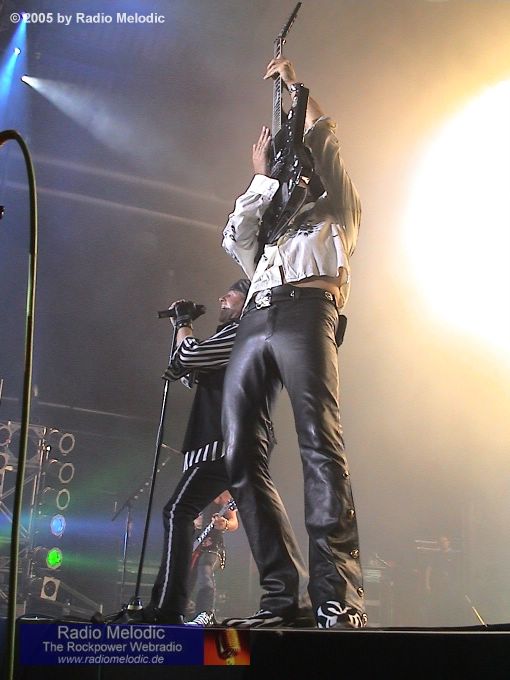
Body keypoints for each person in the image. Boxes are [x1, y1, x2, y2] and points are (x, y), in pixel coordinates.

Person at [220, 57, 366, 629]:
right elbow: (235, 235)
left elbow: (325, 138)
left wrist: (295, 85)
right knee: (238, 453)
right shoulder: (271, 224)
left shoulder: (339, 210)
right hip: (256, 318)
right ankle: (282, 596)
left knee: (318, 445)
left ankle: (337, 597)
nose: (297, 172)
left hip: (308, 312)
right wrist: (261, 179)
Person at [135, 279, 255, 625]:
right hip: (216, 445)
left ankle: (169, 607)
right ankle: (167, 605)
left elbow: (189, 356)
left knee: (178, 511)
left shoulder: (242, 332)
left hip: (220, 445)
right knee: (182, 513)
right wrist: (180, 328)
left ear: (247, 301)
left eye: (230, 293)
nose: (221, 297)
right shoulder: (228, 338)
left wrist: (184, 323)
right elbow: (186, 371)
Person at [186, 491, 237, 623]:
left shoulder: (224, 494)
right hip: (193, 545)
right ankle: (187, 612)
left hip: (213, 547)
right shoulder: (194, 491)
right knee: (184, 581)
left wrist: (225, 524)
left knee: (205, 568)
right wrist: (193, 522)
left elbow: (234, 522)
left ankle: (206, 612)